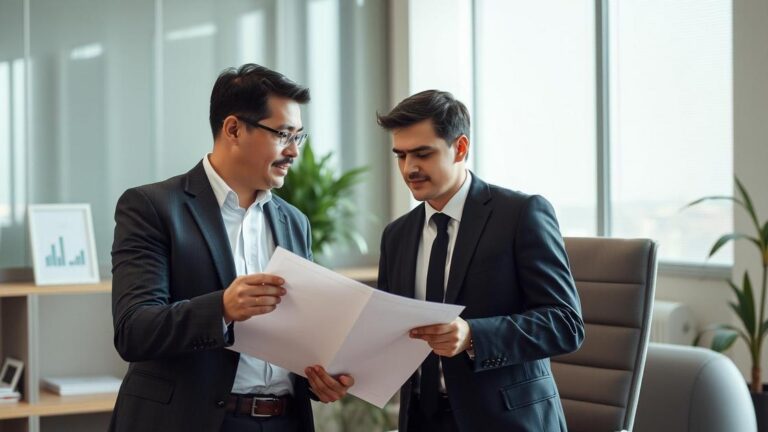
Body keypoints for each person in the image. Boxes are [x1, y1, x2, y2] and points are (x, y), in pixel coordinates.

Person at [110, 64, 353, 432]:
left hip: (284, 420)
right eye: (283, 134)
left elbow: (298, 335)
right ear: (234, 129)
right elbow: (134, 330)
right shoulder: (153, 207)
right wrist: (222, 307)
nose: (293, 152)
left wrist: (320, 378)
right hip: (193, 422)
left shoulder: (294, 221)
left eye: (298, 137)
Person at [376, 90, 584, 432]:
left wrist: (473, 335)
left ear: (460, 148)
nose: (409, 168)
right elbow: (390, 331)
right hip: (423, 420)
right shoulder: (396, 236)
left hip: (506, 420)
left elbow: (565, 324)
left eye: (422, 154)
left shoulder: (521, 214)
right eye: (400, 156)